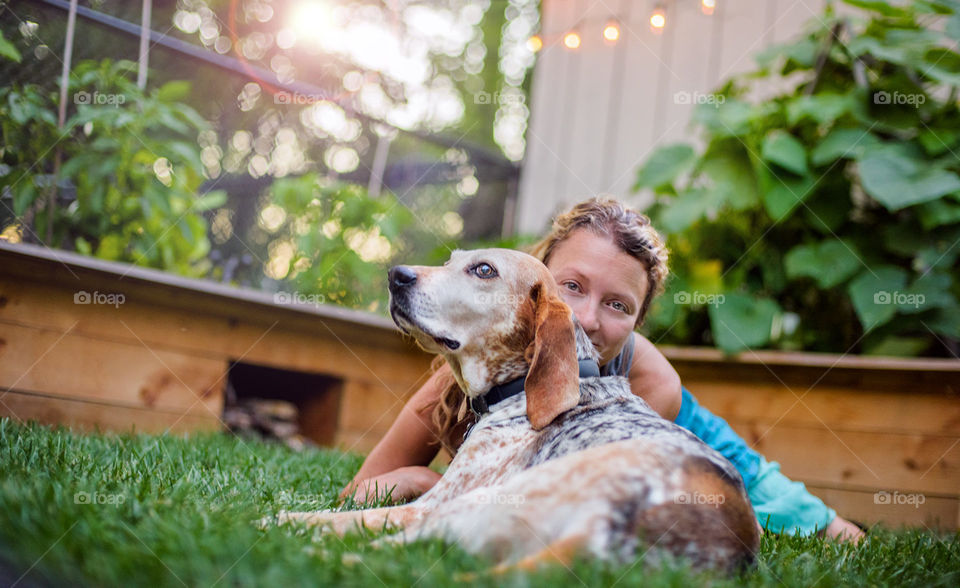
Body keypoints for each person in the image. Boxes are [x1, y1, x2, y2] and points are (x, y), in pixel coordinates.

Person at [342, 197, 865, 542]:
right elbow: (359, 492)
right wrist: (414, 477)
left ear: (637, 321)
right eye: (572, 287)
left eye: (618, 306)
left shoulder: (647, 384)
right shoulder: (472, 357)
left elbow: (541, 508)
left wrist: (434, 490)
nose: (587, 319)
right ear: (538, 285)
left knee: (836, 535)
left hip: (714, 465)